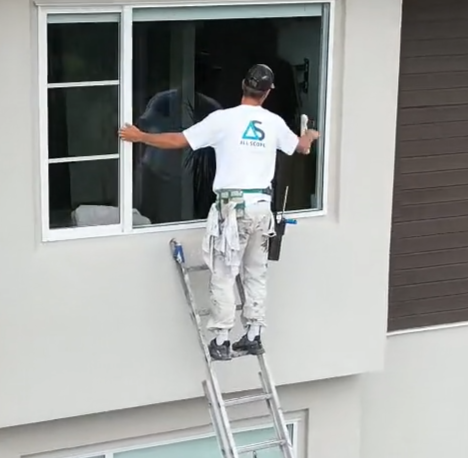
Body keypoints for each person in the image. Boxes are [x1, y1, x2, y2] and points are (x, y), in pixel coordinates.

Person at [119, 64, 319, 361]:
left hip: (233, 207)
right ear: (268, 91)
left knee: (225, 273)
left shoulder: (223, 120)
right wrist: (311, 135)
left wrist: (140, 136)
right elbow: (300, 148)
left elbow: (180, 141)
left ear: (242, 85)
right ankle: (253, 335)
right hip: (262, 209)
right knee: (255, 273)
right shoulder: (274, 123)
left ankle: (222, 340)